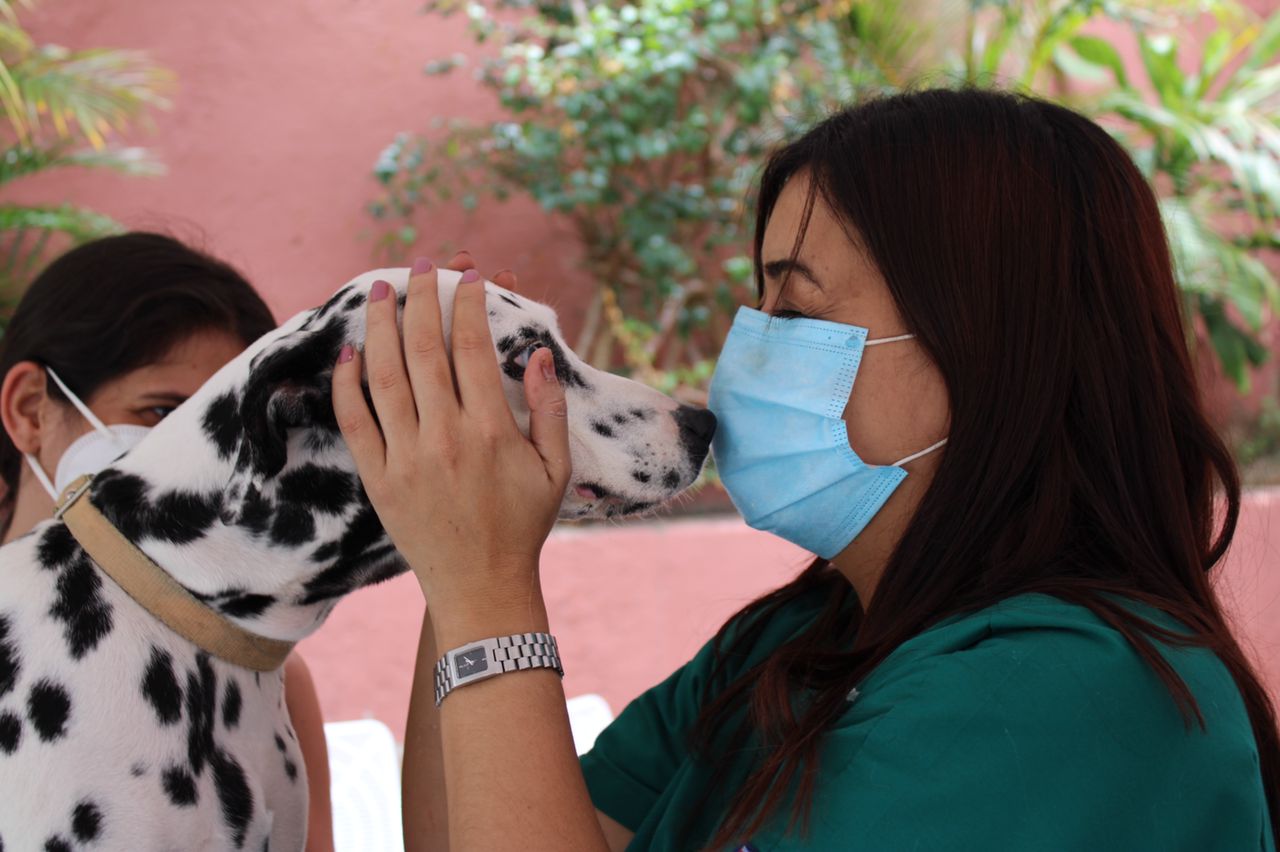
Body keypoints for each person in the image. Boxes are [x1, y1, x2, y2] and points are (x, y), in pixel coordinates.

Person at [334, 89, 1279, 850]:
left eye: (795, 311)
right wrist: (463, 543)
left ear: (991, 353)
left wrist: (489, 590)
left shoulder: (1059, 697)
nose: (747, 350)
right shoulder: (799, 644)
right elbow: (471, 834)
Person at [0, 232, 337, 852]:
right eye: (163, 414)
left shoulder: (269, 680)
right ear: (30, 410)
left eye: (236, 434)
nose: (204, 464)